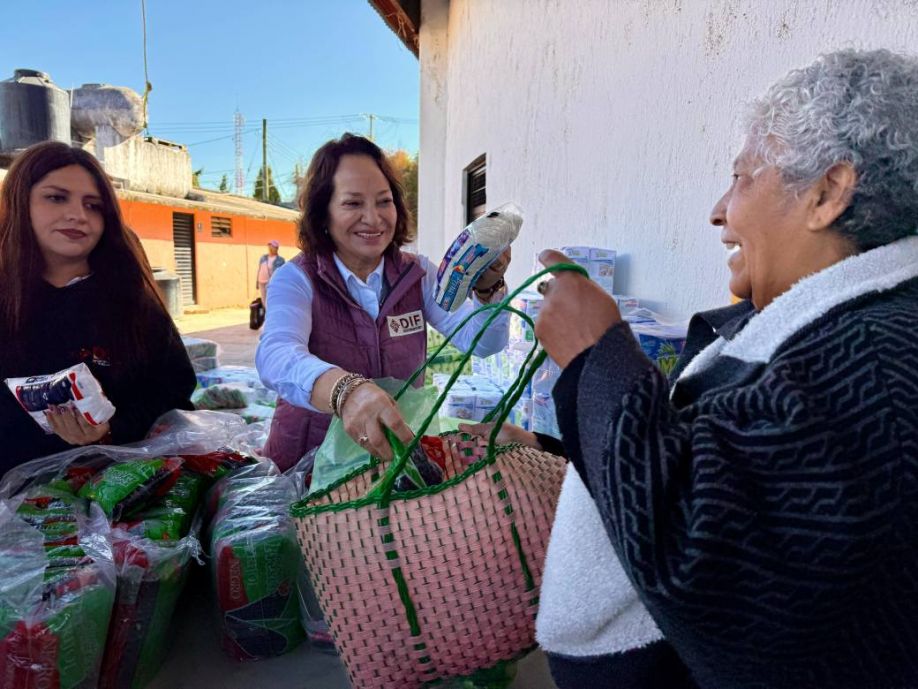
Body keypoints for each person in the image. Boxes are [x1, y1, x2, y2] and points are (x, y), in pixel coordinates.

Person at [529, 48, 918, 689]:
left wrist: (594, 355)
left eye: (742, 178)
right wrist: (548, 443)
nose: (719, 210)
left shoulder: (873, 361)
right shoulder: (837, 333)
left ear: (827, 194)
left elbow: (706, 557)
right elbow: (730, 456)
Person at [256, 133, 511, 469]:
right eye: (353, 203)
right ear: (323, 213)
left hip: (394, 463)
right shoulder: (297, 278)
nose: (374, 218)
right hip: (309, 466)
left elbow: (482, 343)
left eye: (383, 201)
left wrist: (488, 290)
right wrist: (345, 390)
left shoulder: (418, 274)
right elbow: (275, 355)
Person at [0, 142, 197, 476]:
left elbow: (174, 395)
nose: (78, 215)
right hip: (15, 494)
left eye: (93, 205)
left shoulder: (132, 299)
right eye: (56, 197)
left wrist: (110, 430)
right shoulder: (7, 300)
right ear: (20, 202)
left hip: (121, 489)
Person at [256, 239, 285, 306]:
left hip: (271, 282)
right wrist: (257, 282)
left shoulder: (280, 260)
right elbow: (259, 269)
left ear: (276, 248)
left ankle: (270, 312)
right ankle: (266, 312)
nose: (270, 248)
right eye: (269, 246)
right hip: (261, 282)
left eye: (272, 246)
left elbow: (281, 273)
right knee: (264, 301)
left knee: (270, 300)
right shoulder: (263, 257)